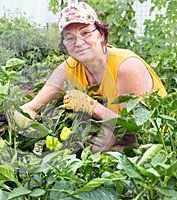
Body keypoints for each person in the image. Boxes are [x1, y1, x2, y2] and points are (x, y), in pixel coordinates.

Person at [13, 2, 167, 152]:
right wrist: (26, 125)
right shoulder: (70, 67)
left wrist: (91, 106)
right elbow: (29, 108)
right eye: (70, 38)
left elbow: (137, 132)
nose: (78, 42)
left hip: (160, 146)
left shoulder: (126, 67)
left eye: (85, 33)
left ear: (100, 34)